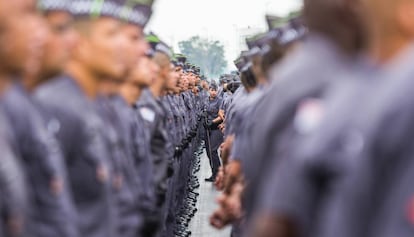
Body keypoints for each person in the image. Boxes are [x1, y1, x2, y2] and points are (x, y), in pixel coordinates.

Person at [204, 83, 224, 182]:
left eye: (215, 90)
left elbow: (221, 116)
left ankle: (219, 174)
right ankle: (214, 173)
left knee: (213, 151)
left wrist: (212, 122)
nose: (213, 92)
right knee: (209, 153)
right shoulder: (206, 100)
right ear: (209, 90)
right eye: (211, 90)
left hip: (216, 128)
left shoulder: (220, 101)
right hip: (207, 129)